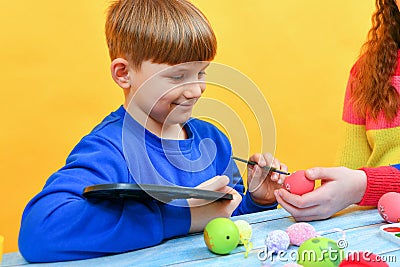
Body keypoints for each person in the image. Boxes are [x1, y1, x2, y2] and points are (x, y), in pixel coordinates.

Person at [18, 0, 285, 263]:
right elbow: (38, 231)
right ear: (123, 73)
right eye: (178, 77)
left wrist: (257, 201)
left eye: (201, 73)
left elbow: (226, 224)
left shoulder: (213, 140)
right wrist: (183, 217)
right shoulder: (109, 149)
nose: (196, 90)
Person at [275, 0, 400, 222]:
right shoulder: (367, 71)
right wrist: (321, 199)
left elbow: (357, 182)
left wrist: (362, 185)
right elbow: (350, 167)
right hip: (374, 223)